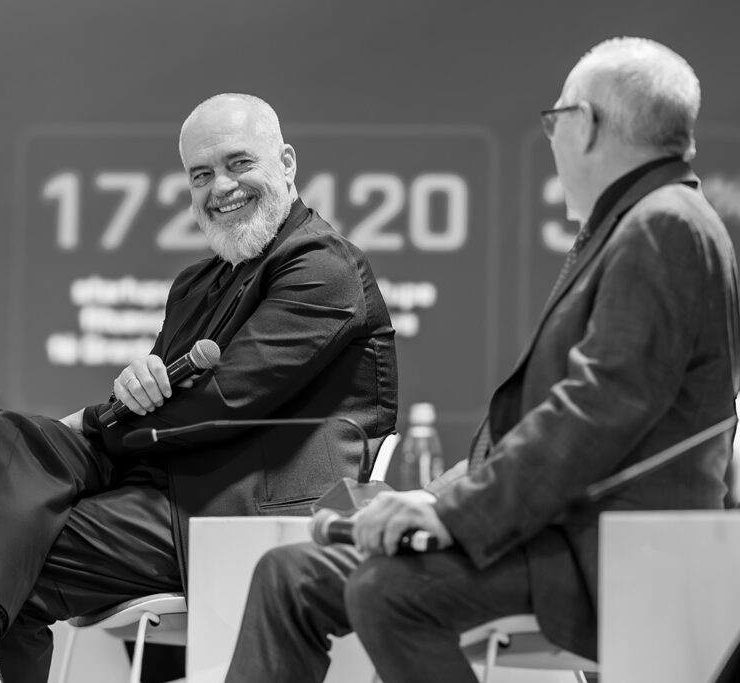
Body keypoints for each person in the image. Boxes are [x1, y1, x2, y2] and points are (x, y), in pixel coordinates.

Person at [225, 37, 740, 683]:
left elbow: (592, 419)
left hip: (606, 551)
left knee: (390, 591)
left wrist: (448, 516)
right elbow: (543, 429)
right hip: (549, 531)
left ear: (586, 124)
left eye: (555, 121)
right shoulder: (640, 223)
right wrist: (424, 501)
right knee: (291, 575)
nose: (552, 142)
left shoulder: (664, 225)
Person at [0, 93, 399, 683]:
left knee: (9, 555)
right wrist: (131, 391)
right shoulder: (196, 283)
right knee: (8, 439)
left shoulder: (323, 266)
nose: (221, 187)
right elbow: (159, 399)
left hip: (237, 511)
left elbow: (224, 402)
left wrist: (96, 422)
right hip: (163, 484)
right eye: (201, 175)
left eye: (239, 163)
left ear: (286, 163)